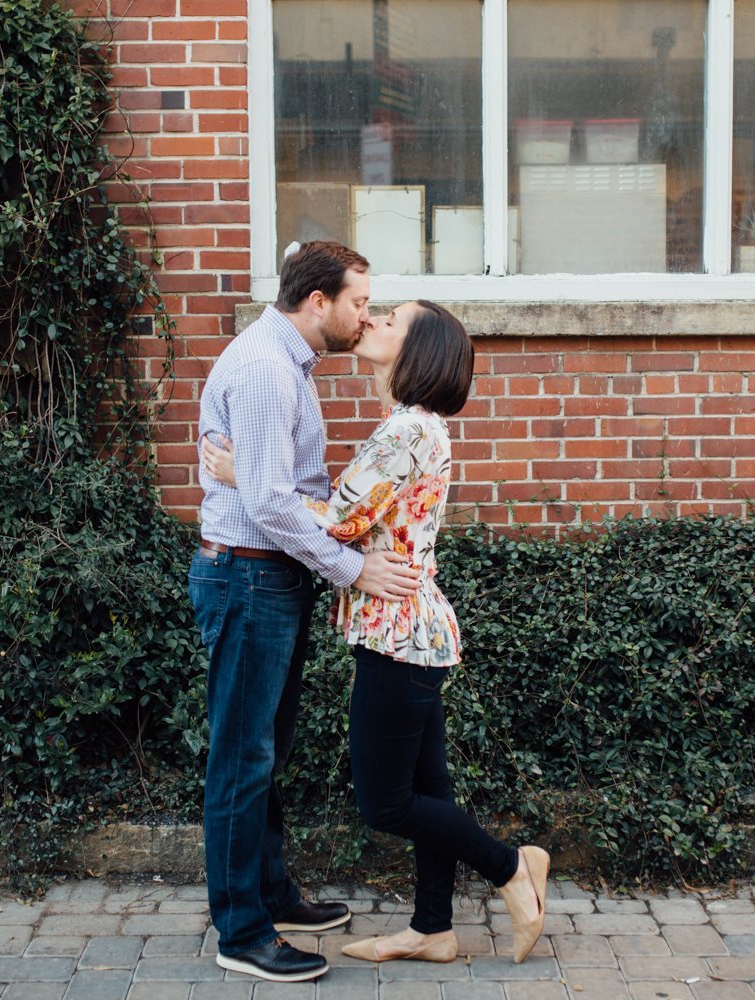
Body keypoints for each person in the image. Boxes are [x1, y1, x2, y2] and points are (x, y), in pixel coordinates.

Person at [202, 300, 551, 967]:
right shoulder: (410, 428)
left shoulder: (408, 433)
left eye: (391, 319)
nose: (375, 322)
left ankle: (512, 870)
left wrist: (243, 475)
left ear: (417, 350)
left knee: (386, 803)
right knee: (429, 790)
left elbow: (336, 522)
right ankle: (432, 929)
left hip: (399, 636)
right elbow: (358, 522)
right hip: (406, 630)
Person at [190, 241, 423, 984]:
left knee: (267, 752)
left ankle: (270, 894)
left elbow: (290, 487)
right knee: (243, 756)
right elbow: (266, 503)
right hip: (249, 579)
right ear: (317, 301)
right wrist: (353, 569)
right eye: (359, 301)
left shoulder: (288, 362)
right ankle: (241, 930)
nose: (365, 315)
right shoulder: (266, 370)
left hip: (270, 580)